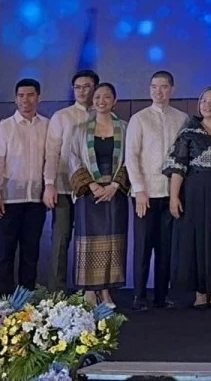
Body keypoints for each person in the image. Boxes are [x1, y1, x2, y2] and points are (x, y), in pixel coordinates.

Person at [166, 85, 211, 309]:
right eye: (203, 101)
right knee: (195, 239)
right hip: (194, 192)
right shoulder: (189, 132)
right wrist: (174, 196)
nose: (207, 105)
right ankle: (199, 291)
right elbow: (178, 166)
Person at [126, 70, 188, 311]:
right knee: (143, 246)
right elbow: (131, 157)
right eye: (154, 87)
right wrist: (139, 190)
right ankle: (139, 296)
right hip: (145, 194)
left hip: (171, 193)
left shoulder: (181, 118)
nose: (158, 91)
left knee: (166, 248)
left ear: (172, 89)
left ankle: (162, 296)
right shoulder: (139, 119)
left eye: (163, 87)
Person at [67, 82, 129, 307]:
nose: (101, 101)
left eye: (106, 97)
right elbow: (73, 159)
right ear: (92, 101)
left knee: (113, 240)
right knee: (88, 240)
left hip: (114, 192)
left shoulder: (125, 127)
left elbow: (131, 159)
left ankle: (106, 291)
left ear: (115, 100)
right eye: (97, 97)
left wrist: (114, 186)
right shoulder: (80, 129)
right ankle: (89, 290)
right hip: (90, 194)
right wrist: (92, 185)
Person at [0, 78, 50, 293]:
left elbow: (51, 159)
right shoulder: (4, 127)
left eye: (30, 95)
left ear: (39, 98)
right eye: (21, 95)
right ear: (15, 99)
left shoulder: (47, 125)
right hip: (8, 200)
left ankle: (27, 297)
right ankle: (4, 297)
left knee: (31, 252)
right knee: (5, 252)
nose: (26, 100)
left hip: (36, 199)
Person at [43, 69, 97, 293]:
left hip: (93, 189)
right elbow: (52, 153)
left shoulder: (103, 115)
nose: (82, 91)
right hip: (65, 186)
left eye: (87, 86)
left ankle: (90, 290)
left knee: (91, 241)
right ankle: (57, 291)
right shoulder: (61, 116)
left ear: (95, 88)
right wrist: (49, 184)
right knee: (61, 239)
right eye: (78, 87)